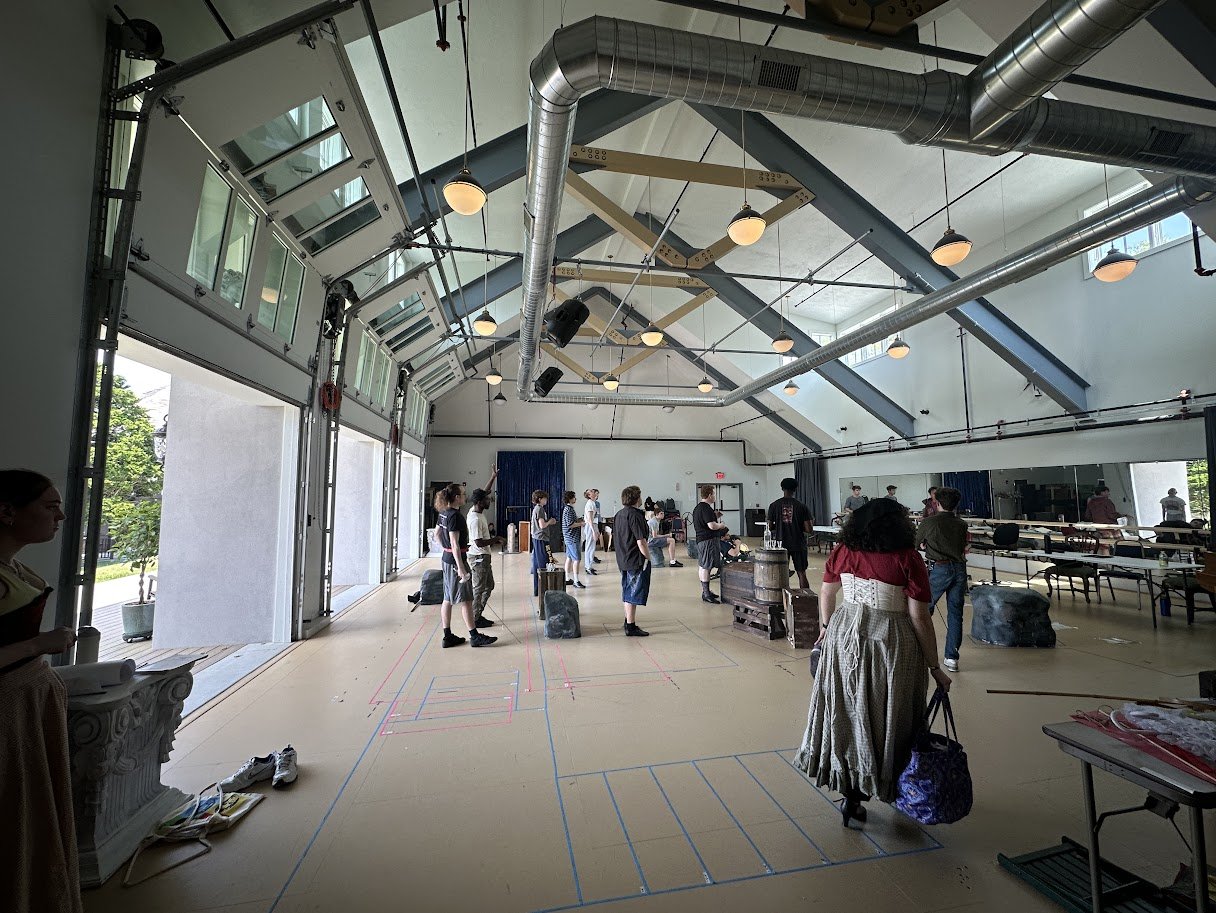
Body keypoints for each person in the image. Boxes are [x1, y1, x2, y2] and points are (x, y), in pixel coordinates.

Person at [794, 498, 951, 827]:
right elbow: (918, 617)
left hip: (844, 635)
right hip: (889, 640)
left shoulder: (843, 551)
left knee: (848, 710)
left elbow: (826, 593)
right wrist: (935, 666)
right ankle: (891, 783)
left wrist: (826, 629)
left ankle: (851, 790)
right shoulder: (907, 559)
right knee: (891, 712)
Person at [0, 470, 84, 913]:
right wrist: (37, 644)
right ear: (8, 511)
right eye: (50, 507)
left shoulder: (15, 567)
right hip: (7, 709)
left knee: (36, 808)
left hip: (32, 700)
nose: (61, 516)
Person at [914, 487, 969, 673]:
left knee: (923, 609)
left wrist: (926, 545)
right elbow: (960, 546)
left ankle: (919, 651)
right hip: (960, 569)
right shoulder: (961, 524)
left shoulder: (929, 522)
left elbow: (915, 544)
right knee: (955, 614)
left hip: (940, 569)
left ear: (936, 503)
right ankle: (952, 657)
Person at [436, 484, 496, 648]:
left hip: (447, 559)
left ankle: (447, 636)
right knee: (467, 600)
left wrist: (446, 550)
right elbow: (455, 544)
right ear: (456, 497)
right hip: (456, 562)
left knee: (447, 598)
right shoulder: (455, 516)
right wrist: (461, 568)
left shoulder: (443, 513)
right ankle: (474, 636)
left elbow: (437, 535)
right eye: (462, 494)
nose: (465, 496)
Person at [612, 486, 652, 636]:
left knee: (627, 589)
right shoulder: (635, 515)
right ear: (636, 498)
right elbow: (640, 541)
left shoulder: (619, 514)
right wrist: (648, 557)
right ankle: (630, 626)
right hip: (634, 559)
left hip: (622, 558)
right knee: (633, 592)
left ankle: (627, 620)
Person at [466, 487, 502, 629]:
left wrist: (493, 477)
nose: (489, 500)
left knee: (489, 585)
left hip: (484, 557)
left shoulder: (476, 510)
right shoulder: (475, 519)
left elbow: (483, 491)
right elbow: (479, 542)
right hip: (478, 557)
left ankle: (478, 614)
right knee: (479, 588)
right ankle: (475, 618)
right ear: (480, 502)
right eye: (487, 499)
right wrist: (496, 539)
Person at [767, 477, 812, 589]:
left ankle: (781, 599)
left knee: (781, 573)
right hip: (798, 544)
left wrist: (778, 525)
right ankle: (805, 599)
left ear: (782, 488)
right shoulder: (802, 506)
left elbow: (769, 526)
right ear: (795, 489)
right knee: (801, 573)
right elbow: (809, 529)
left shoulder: (774, 505)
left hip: (780, 544)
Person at [692, 485, 729, 603]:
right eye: (713, 494)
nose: (714, 497)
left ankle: (706, 591)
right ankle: (706, 594)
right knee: (706, 567)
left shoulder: (699, 508)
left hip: (702, 540)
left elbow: (705, 521)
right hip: (708, 541)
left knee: (703, 565)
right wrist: (721, 525)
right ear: (709, 495)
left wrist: (715, 516)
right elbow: (712, 526)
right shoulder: (706, 508)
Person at [530, 489, 558, 597]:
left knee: (539, 563)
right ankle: (543, 589)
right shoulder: (540, 509)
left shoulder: (537, 509)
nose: (546, 500)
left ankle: (539, 590)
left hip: (538, 538)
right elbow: (542, 525)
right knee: (543, 564)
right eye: (545, 498)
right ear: (540, 499)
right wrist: (551, 521)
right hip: (541, 539)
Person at [560, 491, 586, 589]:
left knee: (569, 558)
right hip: (572, 538)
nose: (576, 499)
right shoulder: (568, 509)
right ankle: (576, 580)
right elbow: (570, 524)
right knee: (577, 559)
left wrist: (579, 519)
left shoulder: (569, 509)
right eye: (574, 497)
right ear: (570, 499)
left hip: (569, 538)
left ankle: (567, 578)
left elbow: (571, 521)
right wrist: (581, 524)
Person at [582, 488, 602, 576]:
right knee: (589, 547)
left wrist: (596, 529)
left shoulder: (593, 503)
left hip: (594, 525)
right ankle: (587, 567)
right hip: (590, 526)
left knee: (592, 547)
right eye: (591, 492)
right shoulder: (590, 503)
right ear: (589, 495)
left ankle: (590, 566)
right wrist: (593, 531)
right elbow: (589, 519)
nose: (594, 492)